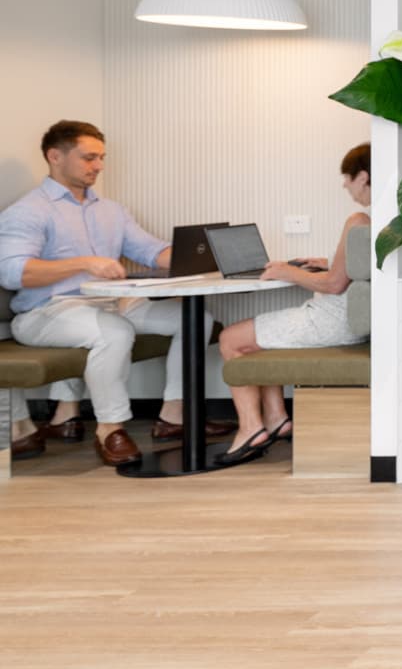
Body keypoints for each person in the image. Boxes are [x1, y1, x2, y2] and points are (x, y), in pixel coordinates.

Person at [0, 120, 224, 468]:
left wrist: (204, 258)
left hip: (111, 304)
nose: (99, 166)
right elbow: (13, 273)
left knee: (197, 319)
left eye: (101, 157)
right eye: (89, 158)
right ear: (55, 156)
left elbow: (151, 251)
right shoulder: (28, 211)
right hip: (48, 312)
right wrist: (83, 264)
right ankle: (110, 429)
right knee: (115, 331)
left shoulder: (111, 210)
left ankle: (174, 416)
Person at [213, 144, 371, 465]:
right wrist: (325, 261)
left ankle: (250, 429)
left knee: (230, 339)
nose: (344, 185)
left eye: (347, 177)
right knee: (260, 339)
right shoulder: (382, 217)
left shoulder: (358, 219)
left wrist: (290, 271)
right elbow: (354, 270)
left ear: (363, 177)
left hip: (330, 321)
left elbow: (334, 284)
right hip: (342, 320)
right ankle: (277, 420)